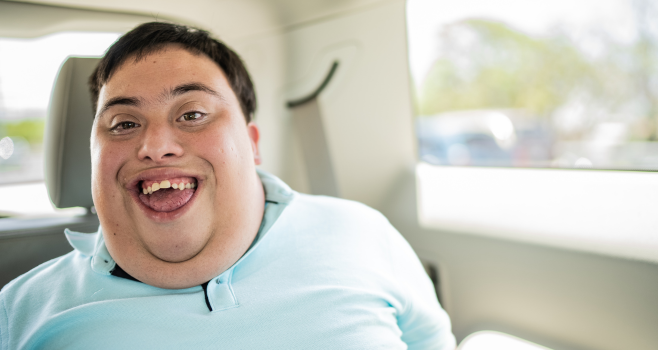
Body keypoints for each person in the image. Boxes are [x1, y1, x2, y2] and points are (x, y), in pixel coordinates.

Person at [0, 22, 455, 349]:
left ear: (252, 143)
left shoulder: (362, 232)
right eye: (123, 123)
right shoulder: (19, 312)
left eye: (192, 114)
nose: (156, 146)